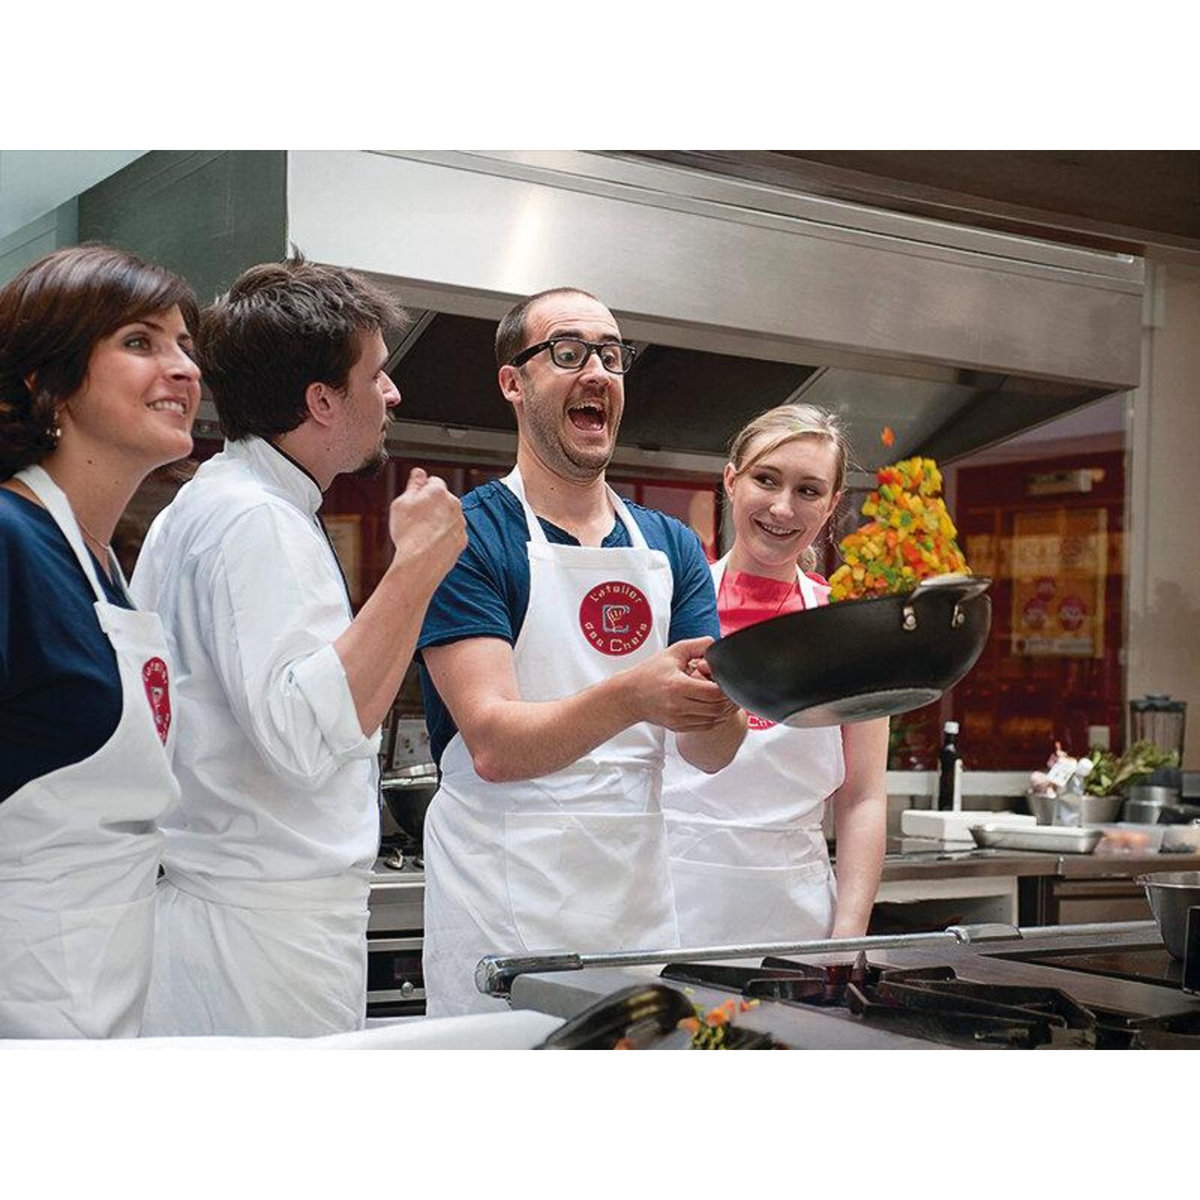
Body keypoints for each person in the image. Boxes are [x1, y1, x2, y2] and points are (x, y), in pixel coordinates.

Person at [130, 256, 466, 1036]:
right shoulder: (257, 520)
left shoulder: (225, 502)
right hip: (259, 935)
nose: (392, 393)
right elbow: (305, 735)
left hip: (240, 919)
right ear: (321, 400)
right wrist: (416, 569)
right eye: (376, 374)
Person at [417, 286, 747, 1015]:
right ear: (514, 381)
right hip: (500, 914)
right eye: (567, 353)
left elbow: (710, 753)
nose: (595, 370)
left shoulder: (672, 547)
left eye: (611, 355)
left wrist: (736, 698)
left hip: (633, 918)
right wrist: (635, 695)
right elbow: (495, 745)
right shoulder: (468, 536)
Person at [0, 244, 201, 1037]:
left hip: (106, 998)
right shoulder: (9, 542)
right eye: (141, 341)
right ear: (46, 383)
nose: (183, 368)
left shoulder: (101, 564)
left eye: (186, 345)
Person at [661, 403, 888, 945]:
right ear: (732, 482)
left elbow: (863, 797)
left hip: (799, 923)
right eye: (767, 480)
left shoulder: (849, 633)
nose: (783, 508)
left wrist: (848, 939)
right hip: (667, 909)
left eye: (808, 491)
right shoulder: (669, 609)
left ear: (832, 505)